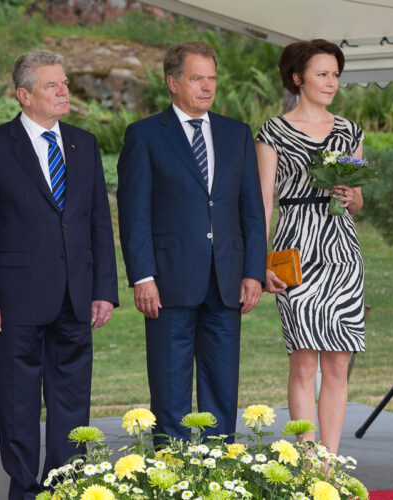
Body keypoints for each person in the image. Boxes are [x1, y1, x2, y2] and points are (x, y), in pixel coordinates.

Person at [0, 50, 119, 499]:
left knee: (72, 403)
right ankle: (25, 490)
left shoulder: (83, 144)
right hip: (13, 301)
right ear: (24, 95)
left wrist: (104, 288)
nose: (64, 91)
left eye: (65, 82)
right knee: (18, 402)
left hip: (75, 296)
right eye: (52, 85)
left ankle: (65, 487)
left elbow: (97, 225)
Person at [117, 41, 267, 443]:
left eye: (212, 78)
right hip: (167, 283)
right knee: (170, 393)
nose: (207, 87)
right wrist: (142, 277)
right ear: (172, 83)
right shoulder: (145, 136)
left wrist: (253, 272)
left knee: (223, 391)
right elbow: (134, 216)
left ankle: (220, 474)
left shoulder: (236, 134)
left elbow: (251, 209)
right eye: (197, 78)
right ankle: (174, 470)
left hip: (227, 281)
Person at [256, 39, 366, 453]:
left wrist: (353, 197)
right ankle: (305, 463)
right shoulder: (272, 131)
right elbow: (264, 203)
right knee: (304, 361)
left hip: (341, 251)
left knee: (338, 363)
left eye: (335, 74)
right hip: (295, 250)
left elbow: (358, 197)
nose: (331, 82)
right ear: (297, 78)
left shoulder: (350, 130)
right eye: (322, 74)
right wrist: (257, 263)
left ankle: (331, 465)